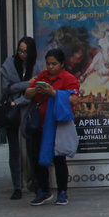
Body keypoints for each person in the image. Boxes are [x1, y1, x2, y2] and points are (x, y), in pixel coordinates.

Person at [24, 48, 80, 206]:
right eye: (48, 64)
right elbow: (27, 93)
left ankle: (62, 192)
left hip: (58, 126)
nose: (50, 67)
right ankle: (43, 190)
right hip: (40, 126)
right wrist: (37, 89)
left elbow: (74, 100)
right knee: (37, 158)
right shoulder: (42, 76)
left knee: (59, 159)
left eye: (54, 64)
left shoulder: (68, 79)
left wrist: (54, 93)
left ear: (62, 64)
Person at [0, 36, 39, 200]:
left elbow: (35, 88)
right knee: (14, 152)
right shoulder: (9, 64)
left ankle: (32, 182)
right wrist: (26, 84)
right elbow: (6, 88)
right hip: (13, 113)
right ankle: (17, 186)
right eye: (20, 50)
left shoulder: (35, 66)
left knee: (30, 150)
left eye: (25, 51)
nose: (22, 54)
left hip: (28, 111)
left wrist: (19, 98)